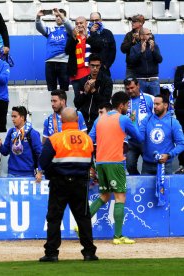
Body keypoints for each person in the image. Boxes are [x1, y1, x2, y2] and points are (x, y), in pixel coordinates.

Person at [38, 107, 97, 262]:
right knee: (83, 218)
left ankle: (51, 253)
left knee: (54, 218)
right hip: (80, 183)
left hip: (59, 183)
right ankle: (89, 252)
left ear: (61, 121)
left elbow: (43, 162)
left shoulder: (55, 139)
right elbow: (90, 161)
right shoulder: (87, 139)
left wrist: (52, 170)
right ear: (77, 120)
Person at [89, 92, 143, 245]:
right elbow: (139, 138)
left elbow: (91, 139)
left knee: (104, 196)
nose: (127, 108)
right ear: (121, 105)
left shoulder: (99, 120)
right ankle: (118, 236)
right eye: (126, 105)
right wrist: (133, 122)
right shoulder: (124, 119)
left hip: (100, 163)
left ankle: (82, 225)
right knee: (120, 198)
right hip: (116, 162)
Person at [139, 94, 184, 175]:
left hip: (165, 166)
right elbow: (139, 137)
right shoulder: (147, 119)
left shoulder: (173, 122)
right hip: (147, 165)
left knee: (165, 188)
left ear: (166, 105)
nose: (155, 107)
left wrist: (169, 155)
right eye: (154, 104)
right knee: (144, 188)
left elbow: (181, 144)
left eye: (157, 104)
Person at [0, 106, 42, 180]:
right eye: (12, 117)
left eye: (15, 116)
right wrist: (0, 146)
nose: (12, 119)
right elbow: (5, 152)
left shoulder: (33, 133)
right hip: (11, 173)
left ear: (22, 117)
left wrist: (39, 171)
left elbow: (40, 154)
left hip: (28, 174)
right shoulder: (11, 132)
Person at [35, 8, 72, 92]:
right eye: (56, 16)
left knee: (64, 89)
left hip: (64, 62)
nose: (58, 18)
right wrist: (38, 17)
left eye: (60, 16)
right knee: (51, 89)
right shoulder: (50, 29)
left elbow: (70, 27)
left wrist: (63, 17)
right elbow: (39, 28)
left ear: (64, 17)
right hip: (50, 62)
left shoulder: (68, 29)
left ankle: (63, 105)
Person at [123, 77, 154, 175]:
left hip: (146, 140)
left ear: (138, 85)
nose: (130, 91)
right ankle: (138, 183)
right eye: (127, 89)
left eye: (132, 88)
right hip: (131, 140)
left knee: (148, 166)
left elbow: (157, 116)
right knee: (130, 166)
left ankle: (145, 186)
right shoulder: (124, 101)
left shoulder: (149, 98)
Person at [74, 54, 113, 132]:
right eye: (92, 66)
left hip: (99, 120)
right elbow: (77, 103)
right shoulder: (82, 81)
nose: (95, 69)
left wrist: (93, 91)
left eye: (97, 66)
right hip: (83, 121)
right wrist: (85, 92)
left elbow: (105, 103)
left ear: (100, 65)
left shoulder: (107, 81)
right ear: (88, 65)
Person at [129, 28, 163, 96]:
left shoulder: (155, 46)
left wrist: (153, 50)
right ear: (141, 36)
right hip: (140, 80)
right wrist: (141, 52)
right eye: (148, 34)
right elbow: (132, 62)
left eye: (150, 34)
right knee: (142, 103)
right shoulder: (134, 48)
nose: (150, 36)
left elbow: (159, 60)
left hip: (153, 80)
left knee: (155, 102)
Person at [65, 16, 90, 98]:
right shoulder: (73, 37)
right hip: (75, 74)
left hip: (88, 72)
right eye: (77, 24)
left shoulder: (91, 36)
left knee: (88, 98)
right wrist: (74, 37)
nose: (79, 25)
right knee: (78, 99)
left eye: (81, 23)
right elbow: (67, 50)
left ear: (86, 24)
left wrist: (88, 38)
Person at [87, 12, 116, 77]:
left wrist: (106, 65)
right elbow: (96, 46)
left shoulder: (107, 33)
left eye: (96, 20)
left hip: (104, 69)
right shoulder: (87, 33)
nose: (94, 23)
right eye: (92, 20)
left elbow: (112, 51)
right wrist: (93, 33)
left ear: (100, 20)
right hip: (89, 69)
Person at [174, 64, 184, 173]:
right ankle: (182, 165)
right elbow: (177, 84)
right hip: (181, 109)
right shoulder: (180, 69)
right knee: (182, 138)